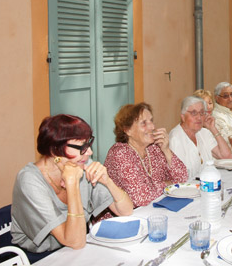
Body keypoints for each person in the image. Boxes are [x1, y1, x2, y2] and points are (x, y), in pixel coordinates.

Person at [11, 115, 133, 254]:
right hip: (39, 257)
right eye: (82, 147)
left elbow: (126, 211)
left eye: (89, 144)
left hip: (76, 247)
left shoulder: (82, 163)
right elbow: (76, 241)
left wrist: (108, 181)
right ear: (54, 150)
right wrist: (72, 184)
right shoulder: (29, 181)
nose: (89, 152)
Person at [104, 103, 188, 207]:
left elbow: (183, 178)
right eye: (144, 123)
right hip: (123, 218)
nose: (152, 127)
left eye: (151, 121)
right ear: (127, 130)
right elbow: (142, 198)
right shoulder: (120, 153)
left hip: (155, 208)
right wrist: (168, 184)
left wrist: (166, 150)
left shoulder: (153, 147)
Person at [169, 96, 232, 180]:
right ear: (183, 117)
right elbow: (179, 177)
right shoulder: (175, 138)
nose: (199, 117)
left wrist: (213, 129)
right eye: (194, 113)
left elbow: (227, 157)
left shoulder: (204, 133)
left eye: (202, 113)